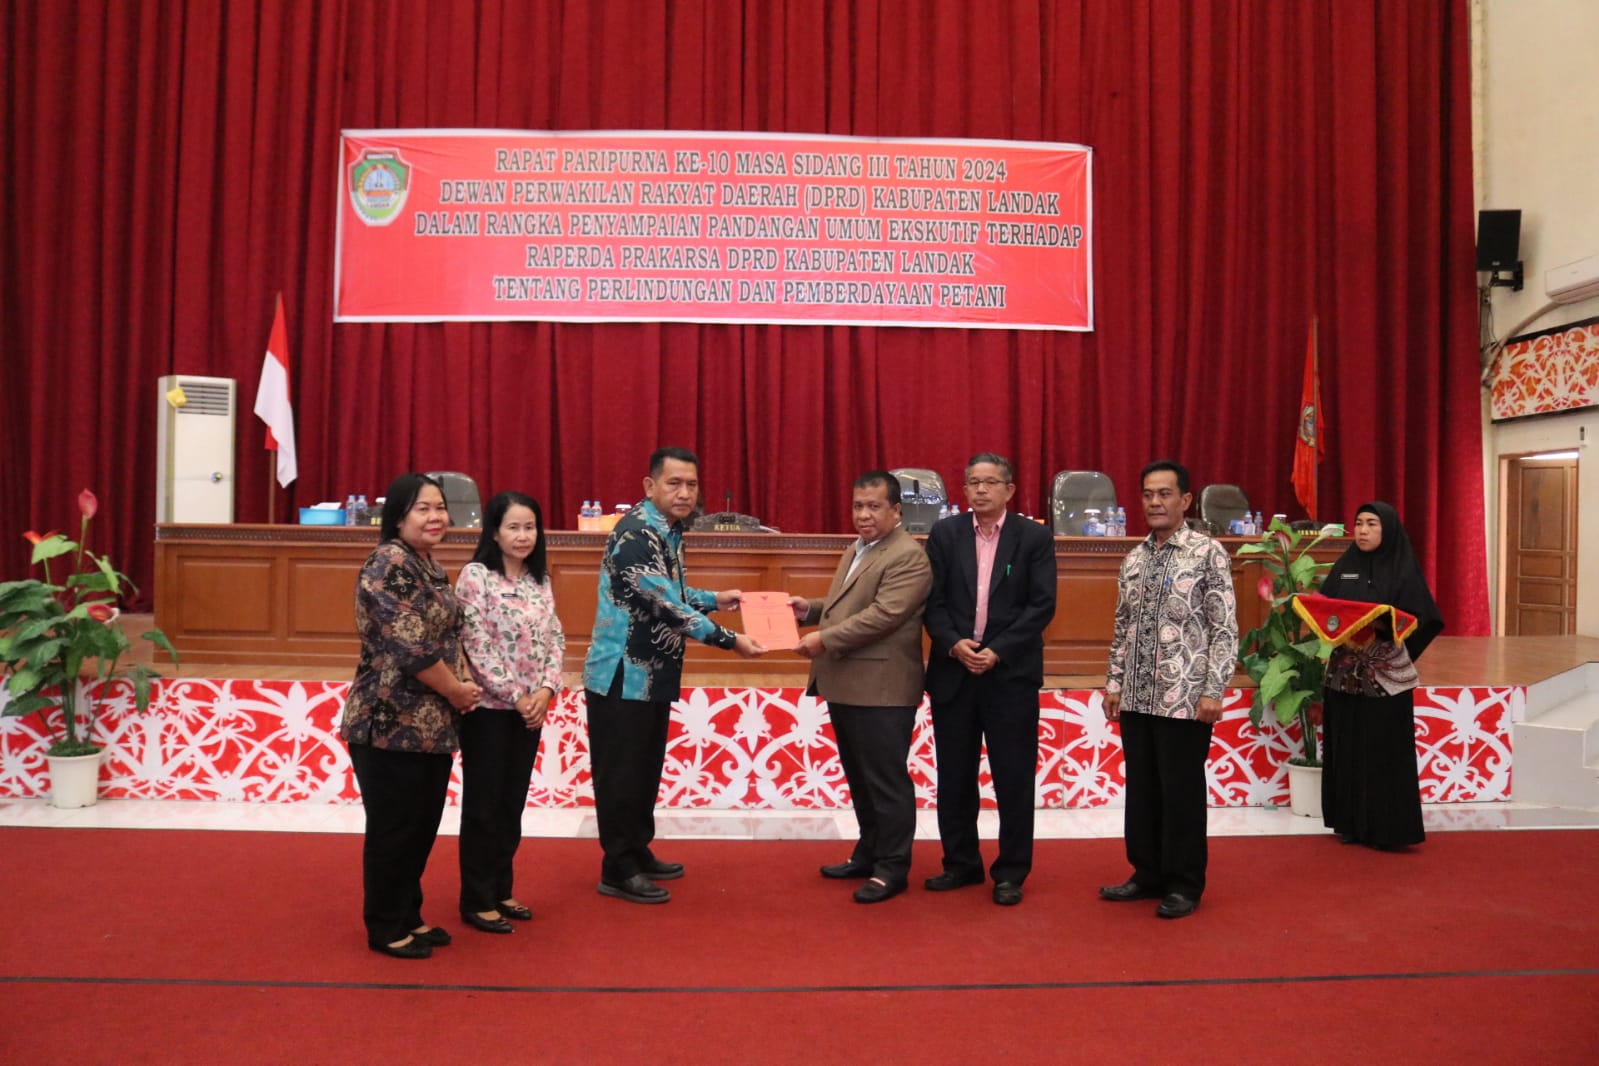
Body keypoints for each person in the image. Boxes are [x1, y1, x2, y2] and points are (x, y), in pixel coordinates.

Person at [582, 447, 766, 904]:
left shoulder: (668, 530)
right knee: (621, 774)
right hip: (622, 673)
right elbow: (664, 605)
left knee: (644, 769)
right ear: (649, 486)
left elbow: (672, 591)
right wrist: (730, 639)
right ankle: (617, 867)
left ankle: (637, 849)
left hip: (654, 672)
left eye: (691, 484)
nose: (685, 493)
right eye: (674, 483)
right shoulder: (636, 533)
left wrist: (714, 597)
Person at [341, 473, 482, 958]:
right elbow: (411, 644)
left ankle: (408, 914)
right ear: (398, 516)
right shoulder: (389, 563)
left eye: (440, 507)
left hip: (431, 724)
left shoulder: (427, 564)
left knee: (420, 826)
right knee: (394, 828)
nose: (436, 517)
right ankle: (385, 925)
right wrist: (458, 692)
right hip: (388, 720)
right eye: (423, 508)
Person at [1099, 460, 1237, 920]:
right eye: (1147, 494)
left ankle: (1183, 882)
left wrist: (1213, 691)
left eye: (1163, 494)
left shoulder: (1207, 553)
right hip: (1136, 697)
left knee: (1179, 792)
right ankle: (1147, 873)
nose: (1154, 502)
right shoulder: (1134, 557)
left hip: (1185, 700)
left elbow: (1224, 630)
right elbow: (1122, 627)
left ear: (1185, 500)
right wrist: (1114, 682)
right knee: (1142, 789)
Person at [923, 453, 1057, 906]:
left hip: (1010, 676)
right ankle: (960, 864)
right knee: (955, 776)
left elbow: (1041, 606)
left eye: (990, 483)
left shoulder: (1033, 537)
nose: (979, 490)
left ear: (1009, 490)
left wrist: (997, 650)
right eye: (972, 483)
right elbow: (931, 602)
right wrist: (953, 643)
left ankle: (1011, 872)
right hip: (954, 672)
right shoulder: (944, 534)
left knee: (1013, 777)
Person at [793, 470, 934, 904]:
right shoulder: (858, 548)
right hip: (849, 682)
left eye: (874, 506)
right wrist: (810, 609)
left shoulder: (908, 556)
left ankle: (893, 867)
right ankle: (868, 852)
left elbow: (882, 616)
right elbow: (845, 607)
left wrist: (823, 639)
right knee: (860, 777)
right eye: (858, 506)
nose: (863, 514)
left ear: (896, 510)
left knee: (885, 780)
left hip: (882, 687)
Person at [454, 491, 565, 934]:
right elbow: (475, 643)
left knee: (511, 804)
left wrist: (546, 689)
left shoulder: (540, 579)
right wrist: (514, 694)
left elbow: (555, 637)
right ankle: (476, 899)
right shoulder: (475, 577)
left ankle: (501, 889)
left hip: (530, 710)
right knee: (484, 805)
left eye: (530, 527)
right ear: (495, 532)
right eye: (514, 527)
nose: (523, 536)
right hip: (488, 710)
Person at [1319, 501, 1445, 850]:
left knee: (1383, 749)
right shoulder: (1345, 566)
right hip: (1345, 677)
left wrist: (1392, 646)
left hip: (1386, 679)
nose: (1362, 530)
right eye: (1358, 523)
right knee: (1347, 745)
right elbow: (1326, 605)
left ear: (1387, 529)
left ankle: (1388, 828)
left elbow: (1425, 617)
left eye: (1371, 524)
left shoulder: (1403, 569)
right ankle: (1349, 822)